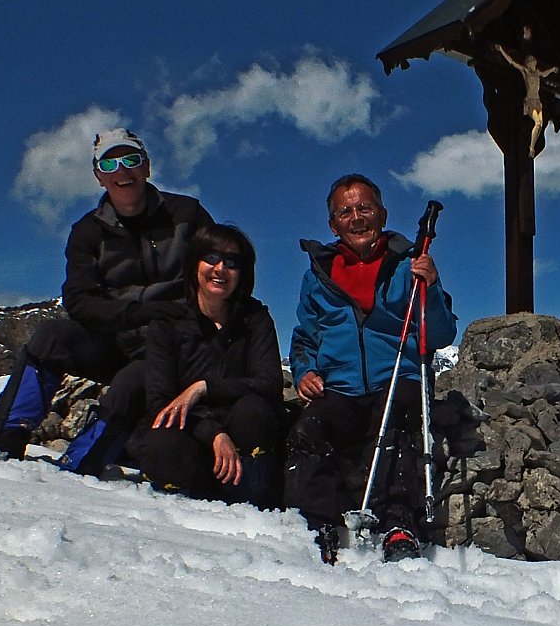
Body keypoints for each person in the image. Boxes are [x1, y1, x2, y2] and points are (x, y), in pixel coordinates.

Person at [0, 127, 213, 474]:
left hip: (174, 346)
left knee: (133, 382)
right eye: (110, 163)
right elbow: (79, 301)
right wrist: (136, 314)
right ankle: (3, 445)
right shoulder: (88, 231)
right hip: (118, 338)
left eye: (131, 160)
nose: (122, 171)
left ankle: (77, 468)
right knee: (51, 337)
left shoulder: (187, 214)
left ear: (147, 167)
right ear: (98, 176)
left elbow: (221, 270)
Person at [286, 173, 456, 562]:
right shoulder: (318, 275)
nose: (356, 217)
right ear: (333, 225)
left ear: (382, 214)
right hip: (339, 386)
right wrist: (304, 371)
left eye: (364, 208)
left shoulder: (409, 264)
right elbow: (305, 337)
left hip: (397, 378)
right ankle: (316, 522)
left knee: (398, 418)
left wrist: (430, 285)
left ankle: (398, 525)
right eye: (345, 211)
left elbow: (441, 334)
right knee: (309, 431)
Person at [127, 224, 285, 505]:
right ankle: (182, 502)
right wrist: (214, 433)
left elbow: (269, 384)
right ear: (194, 263)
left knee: (255, 411)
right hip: (192, 434)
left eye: (232, 262)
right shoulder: (168, 324)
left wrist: (203, 388)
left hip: (243, 438)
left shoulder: (255, 319)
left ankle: (247, 498)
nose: (220, 269)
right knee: (162, 442)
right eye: (211, 258)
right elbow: (161, 402)